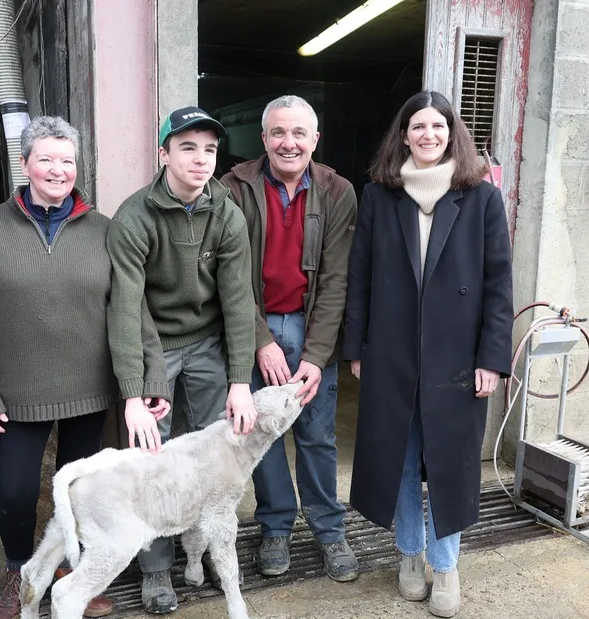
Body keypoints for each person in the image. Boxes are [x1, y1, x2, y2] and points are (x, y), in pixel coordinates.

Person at [0, 116, 170, 618]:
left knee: (82, 493)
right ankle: (22, 575)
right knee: (17, 492)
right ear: (24, 164)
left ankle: (74, 574)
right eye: (46, 159)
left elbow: (132, 311)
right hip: (16, 393)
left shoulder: (105, 230)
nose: (57, 170)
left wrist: (151, 378)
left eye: (67, 160)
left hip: (89, 390)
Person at [343, 90, 513, 618]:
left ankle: (446, 564)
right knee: (397, 456)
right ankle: (409, 554)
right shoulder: (380, 197)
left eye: (438, 126)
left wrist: (492, 358)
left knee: (449, 463)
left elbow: (499, 285)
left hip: (457, 356)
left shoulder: (481, 198)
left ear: (452, 134)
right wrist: (357, 348)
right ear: (404, 136)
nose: (428, 135)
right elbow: (360, 277)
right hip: (392, 352)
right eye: (418, 126)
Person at [107, 106, 257, 613]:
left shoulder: (226, 214)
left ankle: (207, 552)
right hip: (156, 346)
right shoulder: (135, 217)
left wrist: (240, 379)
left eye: (209, 149)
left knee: (214, 454)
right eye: (187, 147)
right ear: (164, 153)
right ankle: (155, 567)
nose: (200, 159)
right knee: (153, 457)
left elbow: (238, 301)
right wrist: (133, 394)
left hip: (208, 342)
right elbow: (125, 309)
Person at [219, 95, 359, 582]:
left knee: (317, 434)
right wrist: (260, 340)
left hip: (309, 323)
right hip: (250, 323)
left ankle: (328, 529)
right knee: (262, 433)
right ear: (263, 139)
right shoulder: (233, 188)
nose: (288, 142)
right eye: (278, 132)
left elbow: (336, 280)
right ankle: (275, 527)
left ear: (315, 140)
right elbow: (229, 276)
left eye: (299, 133)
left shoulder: (338, 191)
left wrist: (317, 357)